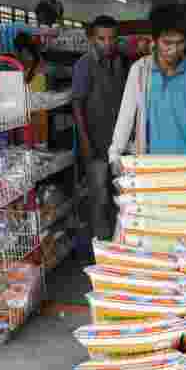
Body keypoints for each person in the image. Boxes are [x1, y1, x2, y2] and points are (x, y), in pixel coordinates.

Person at [108, 4, 186, 164]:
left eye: (180, 43)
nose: (174, 50)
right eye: (167, 43)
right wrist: (115, 153)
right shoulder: (140, 71)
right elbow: (126, 115)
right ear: (155, 40)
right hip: (149, 163)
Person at [72, 16, 128, 241]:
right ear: (91, 39)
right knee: (100, 197)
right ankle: (100, 248)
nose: (107, 43)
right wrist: (85, 140)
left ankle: (120, 244)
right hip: (95, 141)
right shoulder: (84, 64)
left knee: (121, 196)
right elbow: (77, 104)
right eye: (101, 39)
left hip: (119, 142)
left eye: (112, 38)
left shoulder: (121, 61)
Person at [14, 33, 49, 148]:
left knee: (30, 139)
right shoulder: (38, 57)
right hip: (38, 103)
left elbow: (26, 79)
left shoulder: (25, 58)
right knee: (39, 140)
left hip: (31, 103)